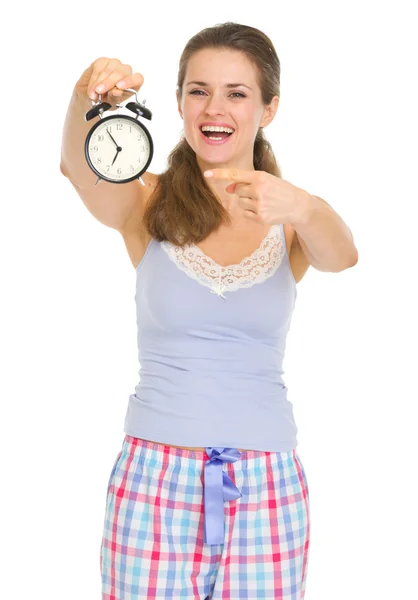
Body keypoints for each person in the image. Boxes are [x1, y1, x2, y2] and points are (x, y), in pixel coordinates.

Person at [60, 21, 357, 600]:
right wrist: (82, 96)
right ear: (177, 102)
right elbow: (79, 167)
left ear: (268, 109)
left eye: (236, 93)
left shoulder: (289, 217)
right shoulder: (146, 201)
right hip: (152, 481)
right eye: (198, 90)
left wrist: (303, 205)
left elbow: (343, 256)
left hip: (268, 483)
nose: (213, 107)